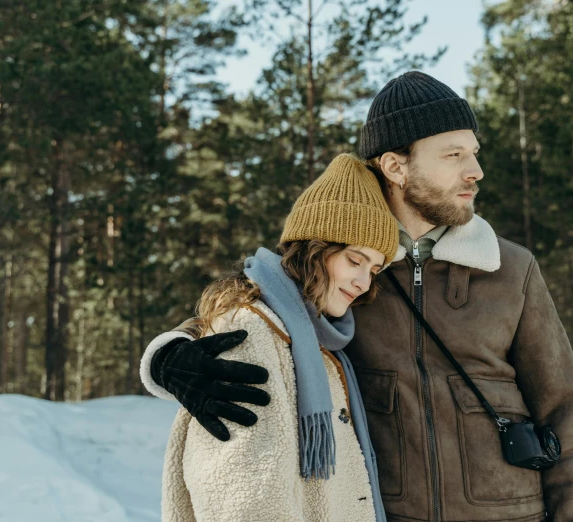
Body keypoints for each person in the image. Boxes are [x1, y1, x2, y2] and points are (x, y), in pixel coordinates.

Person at [143, 72, 573, 522]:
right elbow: (252, 306)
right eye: (453, 154)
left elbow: (563, 415)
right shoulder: (341, 260)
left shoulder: (511, 268)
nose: (475, 171)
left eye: (474, 153)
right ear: (395, 166)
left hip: (511, 513)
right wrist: (170, 357)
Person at [152, 153, 399, 522]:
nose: (363, 283)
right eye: (354, 260)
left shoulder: (316, 337)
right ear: (316, 248)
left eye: (374, 269)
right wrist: (164, 356)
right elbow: (241, 496)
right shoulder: (252, 331)